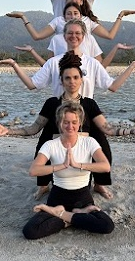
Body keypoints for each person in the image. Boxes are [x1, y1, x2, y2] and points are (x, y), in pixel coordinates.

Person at [0, 51, 135, 200]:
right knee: (44, 142)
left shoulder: (89, 104)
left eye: (75, 77)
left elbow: (107, 128)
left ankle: (99, 184)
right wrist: (7, 130)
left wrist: (134, 130)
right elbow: (34, 128)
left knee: (102, 145)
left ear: (81, 80)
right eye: (67, 78)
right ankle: (43, 186)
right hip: (59, 146)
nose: (72, 82)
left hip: (81, 148)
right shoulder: (52, 103)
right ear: (61, 81)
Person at [21, 102, 114, 239]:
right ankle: (75, 217)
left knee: (106, 226)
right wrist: (62, 166)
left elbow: (105, 166)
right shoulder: (50, 145)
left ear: (80, 122)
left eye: (74, 122)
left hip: (82, 198)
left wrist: (78, 165)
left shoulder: (89, 142)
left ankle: (61, 214)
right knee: (30, 231)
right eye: (66, 122)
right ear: (59, 123)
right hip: (58, 197)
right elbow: (33, 170)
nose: (70, 126)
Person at [0, 19, 135, 98]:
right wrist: (14, 64)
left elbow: (113, 86)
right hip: (61, 116)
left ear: (83, 36)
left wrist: (132, 66)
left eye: (78, 33)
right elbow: (32, 85)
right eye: (70, 33)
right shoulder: (54, 62)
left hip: (85, 116)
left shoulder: (92, 63)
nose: (74, 36)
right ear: (64, 36)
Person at [6, 0, 135, 66]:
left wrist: (120, 16)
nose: (72, 16)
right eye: (69, 14)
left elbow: (101, 66)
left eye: (75, 13)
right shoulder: (57, 38)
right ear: (64, 17)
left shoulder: (89, 38)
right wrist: (24, 18)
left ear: (81, 16)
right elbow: (48, 66)